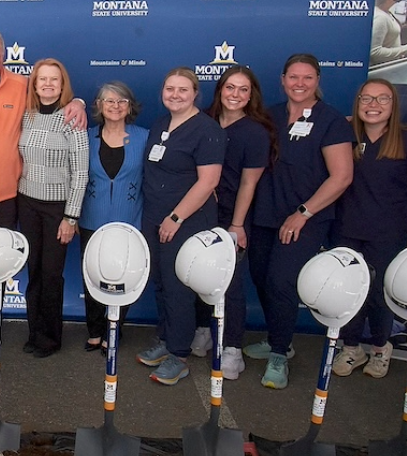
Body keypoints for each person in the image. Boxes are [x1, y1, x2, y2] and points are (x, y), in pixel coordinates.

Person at [0, 28, 86, 349]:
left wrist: (77, 101)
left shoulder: (23, 87)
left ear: (4, 55)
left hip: (7, 196)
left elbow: (56, 96)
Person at [245, 54, 353, 390]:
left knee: (281, 282)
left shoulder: (332, 121)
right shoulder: (269, 116)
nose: (300, 84)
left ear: (318, 80)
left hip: (305, 219)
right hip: (264, 215)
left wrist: (303, 213)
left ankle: (279, 355)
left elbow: (342, 176)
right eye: (294, 77)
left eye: (307, 78)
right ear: (282, 79)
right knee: (262, 279)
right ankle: (282, 339)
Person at [135, 68, 226, 386]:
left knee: (178, 288)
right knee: (160, 282)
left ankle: (179, 354)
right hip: (155, 217)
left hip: (184, 221)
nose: (175, 94)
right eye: (170, 88)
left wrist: (176, 218)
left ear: (195, 93)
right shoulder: (161, 124)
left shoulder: (207, 129)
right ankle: (166, 337)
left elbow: (209, 181)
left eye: (183, 90)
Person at [190, 66, 275, 380]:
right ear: (220, 90)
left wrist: (237, 225)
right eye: (230, 88)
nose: (235, 95)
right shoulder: (205, 122)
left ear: (251, 95)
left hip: (233, 217)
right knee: (200, 275)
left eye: (243, 89)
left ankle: (232, 349)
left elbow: (248, 184)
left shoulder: (254, 132)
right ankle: (204, 331)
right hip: (201, 213)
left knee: (230, 284)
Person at [331, 79, 407, 379]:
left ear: (393, 106)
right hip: (347, 226)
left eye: (382, 99)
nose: (373, 105)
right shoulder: (343, 134)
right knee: (350, 290)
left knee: (380, 292)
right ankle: (351, 347)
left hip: (388, 229)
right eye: (366, 98)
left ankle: (381, 347)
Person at [17, 59, 89, 358]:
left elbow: (81, 173)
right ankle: (34, 332)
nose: (47, 84)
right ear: (33, 84)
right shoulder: (26, 115)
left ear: (63, 86)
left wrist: (70, 217)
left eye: (54, 80)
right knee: (33, 270)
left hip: (58, 208)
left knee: (51, 273)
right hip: (27, 202)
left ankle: (50, 338)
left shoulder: (72, 118)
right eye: (41, 79)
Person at [79, 81, 146, 356]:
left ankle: (113, 330)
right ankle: (94, 331)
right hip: (91, 219)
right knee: (92, 276)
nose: (115, 106)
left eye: (122, 101)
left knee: (123, 277)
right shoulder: (85, 136)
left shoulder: (144, 137)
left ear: (130, 106)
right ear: (99, 106)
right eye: (109, 101)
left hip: (129, 220)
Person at [371, 0, 407, 65]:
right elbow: (375, 52)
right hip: (383, 68)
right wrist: (406, 49)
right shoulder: (380, 18)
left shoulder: (387, 12)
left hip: (391, 64)